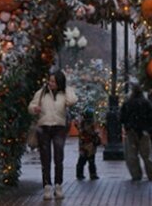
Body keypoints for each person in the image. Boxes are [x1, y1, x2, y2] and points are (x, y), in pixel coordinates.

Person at [28, 69, 77, 199]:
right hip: (43, 127)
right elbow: (31, 106)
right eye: (49, 80)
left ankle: (58, 185)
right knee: (45, 158)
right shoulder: (41, 93)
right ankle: (47, 186)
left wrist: (65, 89)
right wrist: (34, 109)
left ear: (60, 82)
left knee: (58, 158)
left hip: (59, 128)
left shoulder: (64, 93)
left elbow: (72, 101)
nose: (50, 83)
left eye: (54, 81)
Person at [120, 80, 152, 181]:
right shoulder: (145, 102)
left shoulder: (128, 103)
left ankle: (136, 175)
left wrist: (127, 125)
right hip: (143, 131)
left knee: (131, 155)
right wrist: (150, 128)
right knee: (148, 154)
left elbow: (122, 117)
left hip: (131, 131)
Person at [74, 108, 100, 181]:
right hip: (88, 145)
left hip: (85, 145)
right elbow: (90, 132)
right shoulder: (88, 124)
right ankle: (91, 174)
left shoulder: (83, 123)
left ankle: (81, 174)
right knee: (89, 160)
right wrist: (95, 134)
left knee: (83, 160)